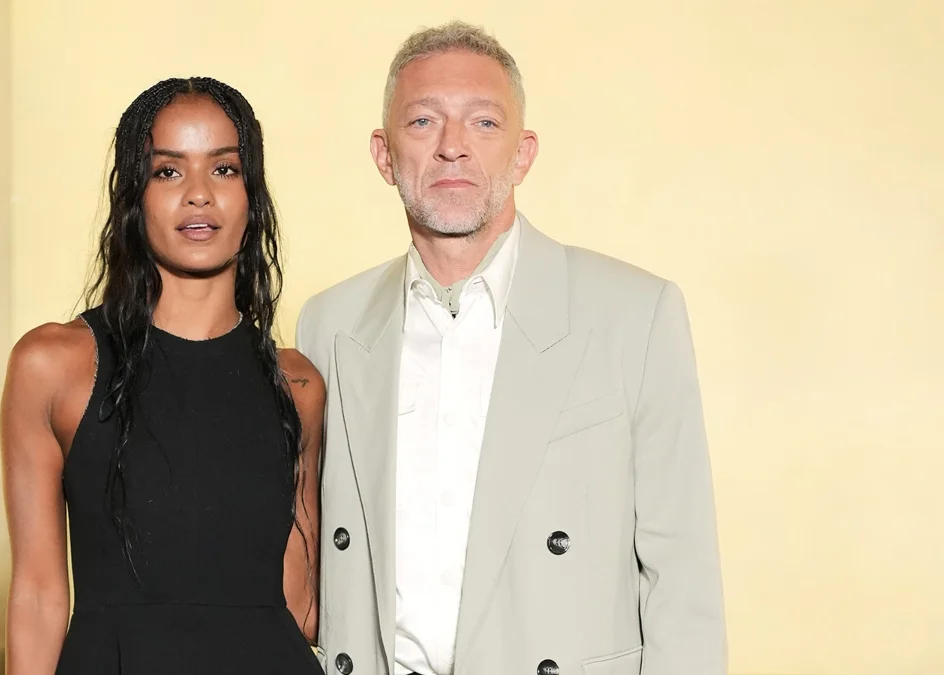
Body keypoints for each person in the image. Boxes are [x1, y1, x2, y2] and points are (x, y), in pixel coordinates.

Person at [296, 21, 727, 675]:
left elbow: (683, 575)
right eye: (423, 122)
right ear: (384, 156)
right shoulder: (330, 323)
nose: (452, 147)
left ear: (523, 154)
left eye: (484, 123)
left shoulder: (634, 314)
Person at [0, 77, 325, 674]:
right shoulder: (53, 365)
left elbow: (300, 601)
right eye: (168, 171)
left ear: (252, 194)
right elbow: (38, 596)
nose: (199, 194)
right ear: (134, 194)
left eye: (224, 169)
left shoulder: (297, 385)